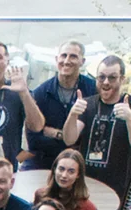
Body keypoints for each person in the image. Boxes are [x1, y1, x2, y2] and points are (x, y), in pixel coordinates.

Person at [63, 55, 131, 210]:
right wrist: (72, 114)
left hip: (118, 185)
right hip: (86, 183)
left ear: (122, 79)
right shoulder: (88, 104)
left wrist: (129, 119)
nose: (106, 82)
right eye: (101, 77)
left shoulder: (129, 105)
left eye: (112, 77)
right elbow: (69, 139)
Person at [30, 41, 96, 171]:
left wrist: (56, 134)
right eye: (63, 55)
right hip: (46, 162)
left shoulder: (92, 90)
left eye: (73, 56)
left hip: (81, 165)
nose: (66, 61)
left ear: (82, 61)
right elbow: (34, 140)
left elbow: (91, 136)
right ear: (56, 59)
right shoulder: (41, 93)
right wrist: (69, 138)